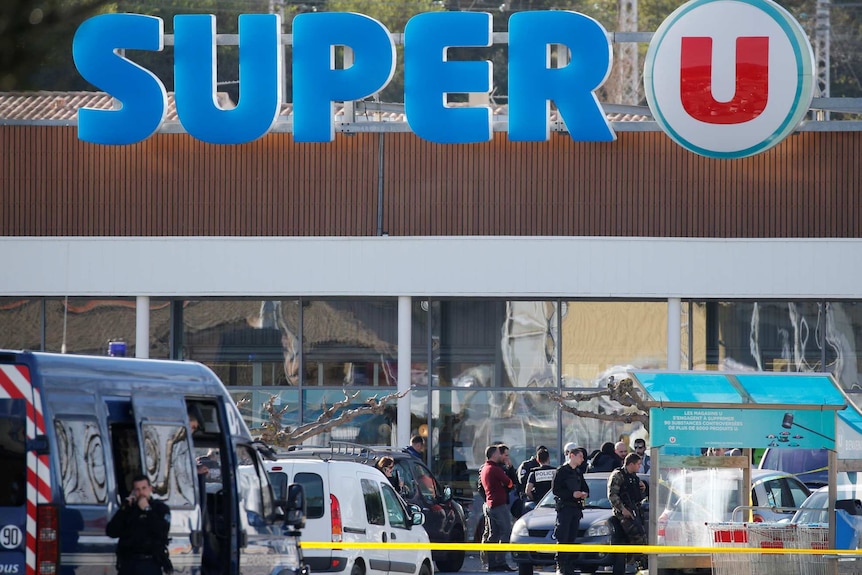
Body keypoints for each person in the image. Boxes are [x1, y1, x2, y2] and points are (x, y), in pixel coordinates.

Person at [106, 475, 173, 575]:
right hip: (128, 564)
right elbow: (111, 531)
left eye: (144, 488)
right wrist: (124, 509)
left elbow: (161, 531)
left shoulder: (160, 509)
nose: (141, 492)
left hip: (150, 563)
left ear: (150, 489)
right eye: (137, 489)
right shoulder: (129, 509)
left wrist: (147, 510)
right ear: (133, 491)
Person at [552, 442, 589, 575]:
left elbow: (585, 487)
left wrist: (584, 493)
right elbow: (556, 490)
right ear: (572, 456)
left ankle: (569, 565)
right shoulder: (561, 471)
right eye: (580, 456)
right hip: (565, 508)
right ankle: (561, 565)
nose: (582, 459)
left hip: (576, 509)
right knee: (563, 537)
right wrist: (571, 494)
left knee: (572, 538)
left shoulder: (578, 472)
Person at [607, 453, 647, 575]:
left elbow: (637, 495)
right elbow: (612, 495)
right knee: (637, 539)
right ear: (631, 464)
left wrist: (643, 488)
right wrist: (623, 509)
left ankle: (639, 568)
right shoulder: (618, 475)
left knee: (640, 539)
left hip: (634, 512)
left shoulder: (633, 477)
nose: (640, 467)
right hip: (623, 515)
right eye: (638, 464)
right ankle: (640, 566)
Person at [480, 444, 515, 572]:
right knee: (505, 532)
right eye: (499, 454)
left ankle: (492, 563)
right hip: (499, 505)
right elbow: (509, 483)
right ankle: (500, 561)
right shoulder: (495, 469)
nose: (501, 456)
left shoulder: (485, 468)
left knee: (492, 535)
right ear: (494, 455)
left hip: (490, 504)